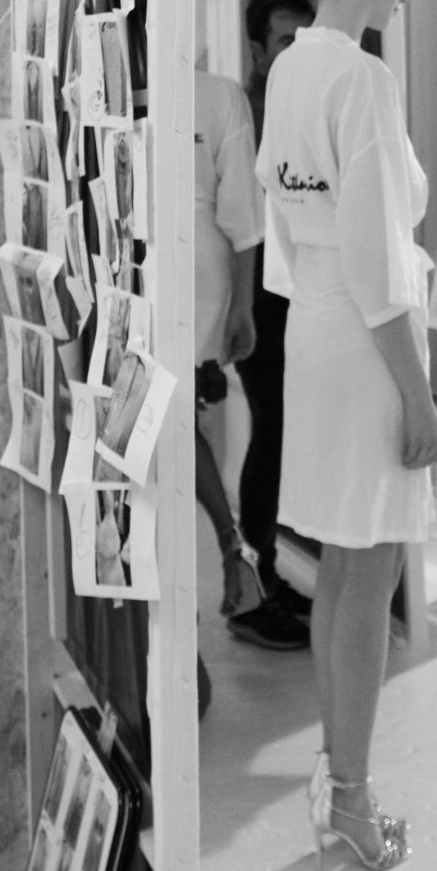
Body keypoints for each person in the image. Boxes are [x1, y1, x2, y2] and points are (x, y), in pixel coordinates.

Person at [257, 0, 437, 871]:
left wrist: (328, 305)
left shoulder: (291, 66)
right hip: (368, 332)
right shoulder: (363, 77)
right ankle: (355, 799)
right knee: (369, 574)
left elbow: (287, 230)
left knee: (340, 565)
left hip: (317, 325)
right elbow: (376, 249)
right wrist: (417, 391)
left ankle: (338, 782)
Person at [194, 68, 307, 652]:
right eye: (283, 42)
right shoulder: (235, 103)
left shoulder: (221, 97)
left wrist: (240, 307)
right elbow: (243, 217)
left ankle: (252, 567)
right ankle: (244, 565)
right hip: (234, 293)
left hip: (273, 289)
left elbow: (245, 216)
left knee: (271, 431)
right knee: (260, 427)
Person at [235, 0, 316, 621]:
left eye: (305, 39)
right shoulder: (246, 116)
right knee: (274, 428)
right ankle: (260, 572)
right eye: (286, 40)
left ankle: (285, 568)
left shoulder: (316, 103)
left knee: (300, 434)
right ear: (259, 52)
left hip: (314, 294)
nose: (298, 51)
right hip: (262, 299)